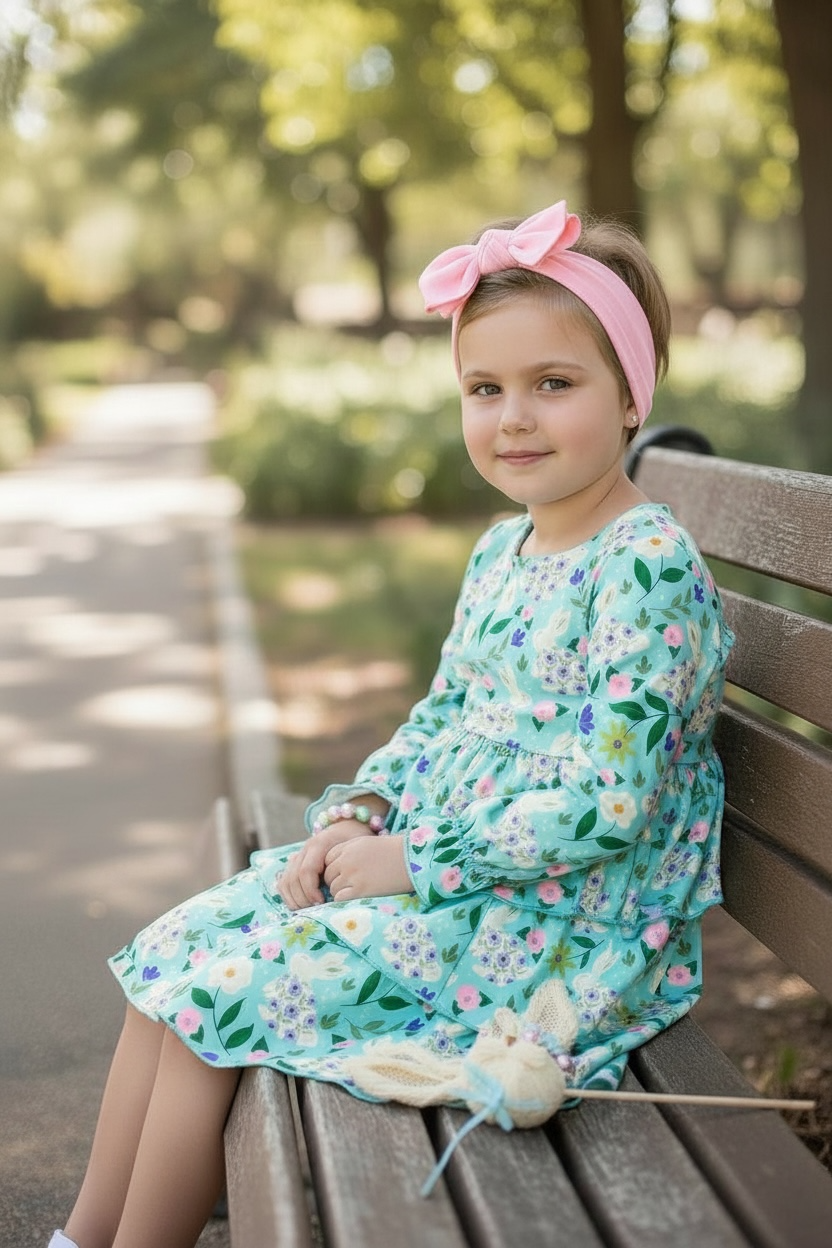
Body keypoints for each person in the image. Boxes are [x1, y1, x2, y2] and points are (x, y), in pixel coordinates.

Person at [51, 201, 733, 1248]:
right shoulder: (502, 553)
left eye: (553, 385)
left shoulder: (643, 567)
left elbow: (609, 804)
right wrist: (357, 813)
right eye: (484, 389)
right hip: (457, 884)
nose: (513, 417)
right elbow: (442, 718)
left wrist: (416, 860)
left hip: (555, 930)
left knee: (213, 1011)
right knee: (171, 952)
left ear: (632, 395)